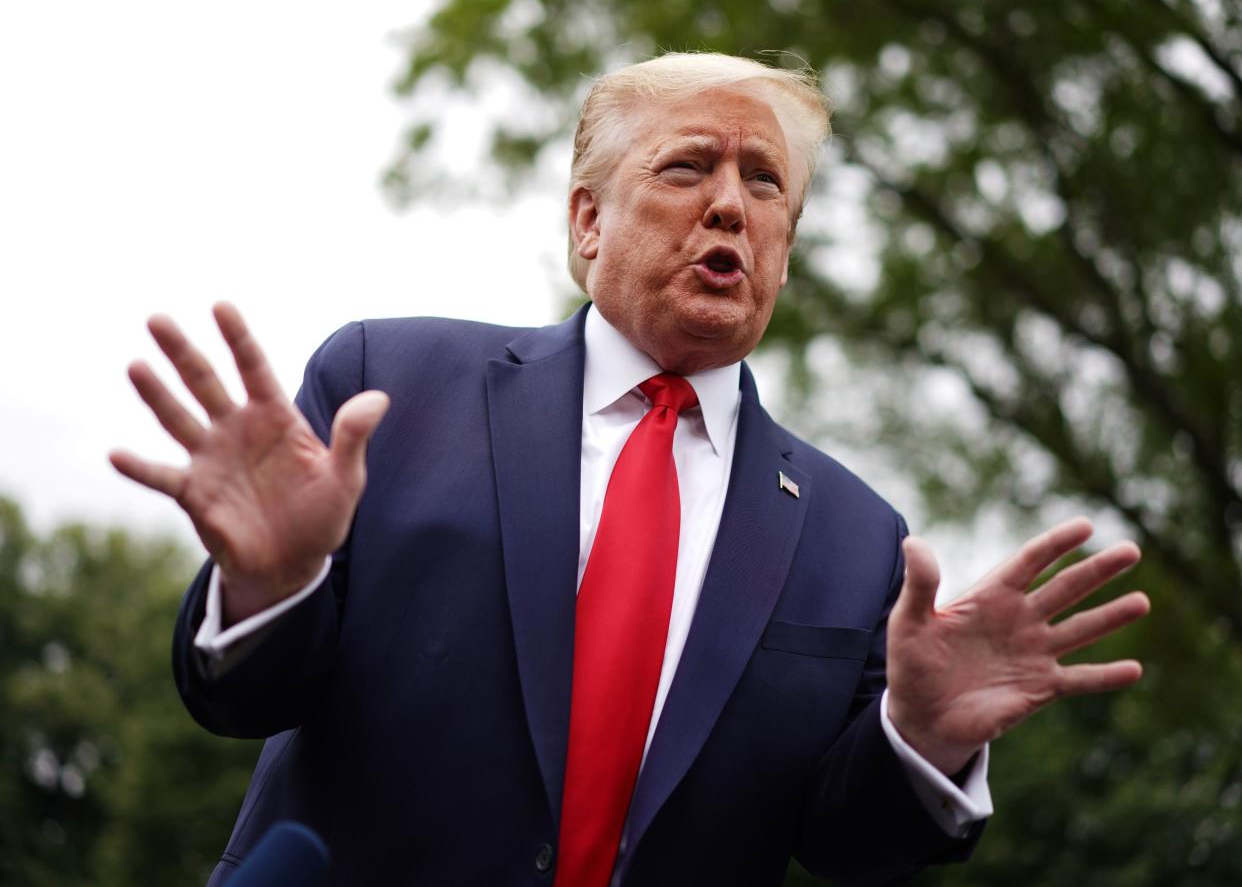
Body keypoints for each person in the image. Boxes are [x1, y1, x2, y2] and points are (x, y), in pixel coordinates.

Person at [111, 53, 1150, 886]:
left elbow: (844, 843)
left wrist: (918, 740)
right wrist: (271, 585)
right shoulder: (393, 389)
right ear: (587, 222)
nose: (732, 207)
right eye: (689, 167)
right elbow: (241, 702)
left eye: (764, 182)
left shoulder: (858, 536)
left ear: (784, 246)